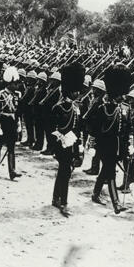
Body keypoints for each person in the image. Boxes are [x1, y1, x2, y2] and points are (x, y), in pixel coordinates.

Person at [89, 64, 133, 214]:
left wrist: (129, 146)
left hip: (118, 146)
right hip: (105, 146)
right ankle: (116, 203)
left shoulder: (126, 108)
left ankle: (95, 194)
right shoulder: (104, 108)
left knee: (105, 171)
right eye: (120, 94)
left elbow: (128, 129)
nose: (123, 96)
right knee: (111, 172)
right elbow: (94, 126)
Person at [50, 61, 85, 217]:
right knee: (65, 172)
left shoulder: (77, 108)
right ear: (67, 91)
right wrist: (62, 139)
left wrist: (79, 146)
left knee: (65, 172)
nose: (77, 94)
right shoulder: (58, 107)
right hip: (62, 146)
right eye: (74, 91)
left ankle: (55, 197)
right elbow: (52, 128)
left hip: (72, 145)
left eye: (77, 91)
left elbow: (78, 128)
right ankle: (63, 203)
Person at [0, 66, 22, 180]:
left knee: (11, 148)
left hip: (12, 124)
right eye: (15, 84)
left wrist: (19, 123)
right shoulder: (0, 95)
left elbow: (18, 112)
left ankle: (12, 171)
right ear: (9, 84)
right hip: (3, 123)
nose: (17, 86)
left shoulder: (16, 96)